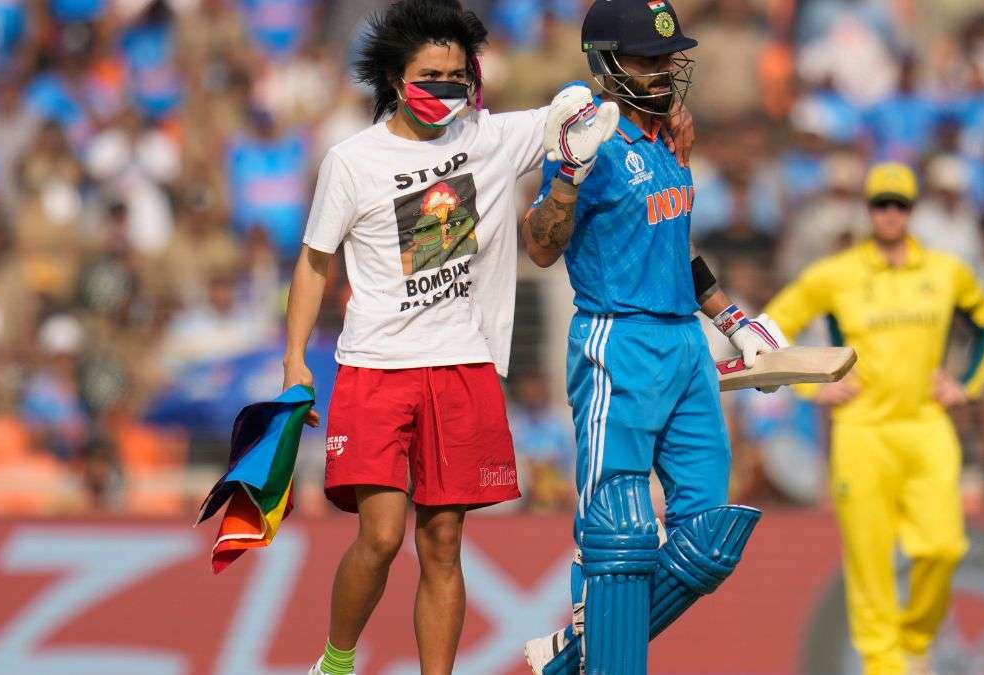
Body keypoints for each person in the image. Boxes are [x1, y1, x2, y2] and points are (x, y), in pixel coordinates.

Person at [282, 2, 626, 674]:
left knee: (444, 542)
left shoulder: (493, 137)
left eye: (456, 75)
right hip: (376, 366)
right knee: (380, 536)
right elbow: (313, 261)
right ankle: (336, 658)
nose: (445, 89)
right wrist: (295, 358)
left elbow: (581, 109)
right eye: (429, 76)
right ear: (393, 76)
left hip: (464, 366)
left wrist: (622, 108)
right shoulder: (352, 161)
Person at [520, 1, 774, 673]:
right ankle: (599, 655)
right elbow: (541, 246)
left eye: (668, 59)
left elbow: (674, 250)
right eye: (647, 60)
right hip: (618, 342)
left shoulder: (672, 141)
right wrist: (569, 172)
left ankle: (574, 650)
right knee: (620, 534)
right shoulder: (592, 144)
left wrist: (732, 320)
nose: (663, 72)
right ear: (607, 62)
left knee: (709, 540)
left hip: (685, 347)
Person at [762, 163, 984, 675]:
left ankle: (916, 640)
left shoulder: (945, 272)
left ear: (913, 210)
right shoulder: (838, 274)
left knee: (943, 546)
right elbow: (770, 328)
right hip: (861, 433)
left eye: (899, 205)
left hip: (926, 427)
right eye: (881, 205)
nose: (890, 214)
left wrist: (965, 385)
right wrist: (812, 385)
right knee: (870, 562)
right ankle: (886, 666)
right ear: (868, 209)